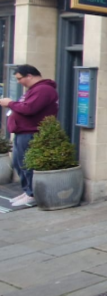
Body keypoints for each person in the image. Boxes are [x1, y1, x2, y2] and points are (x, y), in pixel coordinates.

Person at [0, 65, 59, 207]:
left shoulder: (43, 90)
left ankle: (31, 194)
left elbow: (29, 109)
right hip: (23, 132)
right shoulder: (34, 90)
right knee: (18, 163)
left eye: (20, 78)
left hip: (31, 132)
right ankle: (27, 191)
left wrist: (10, 104)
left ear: (29, 76)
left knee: (26, 164)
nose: (19, 82)